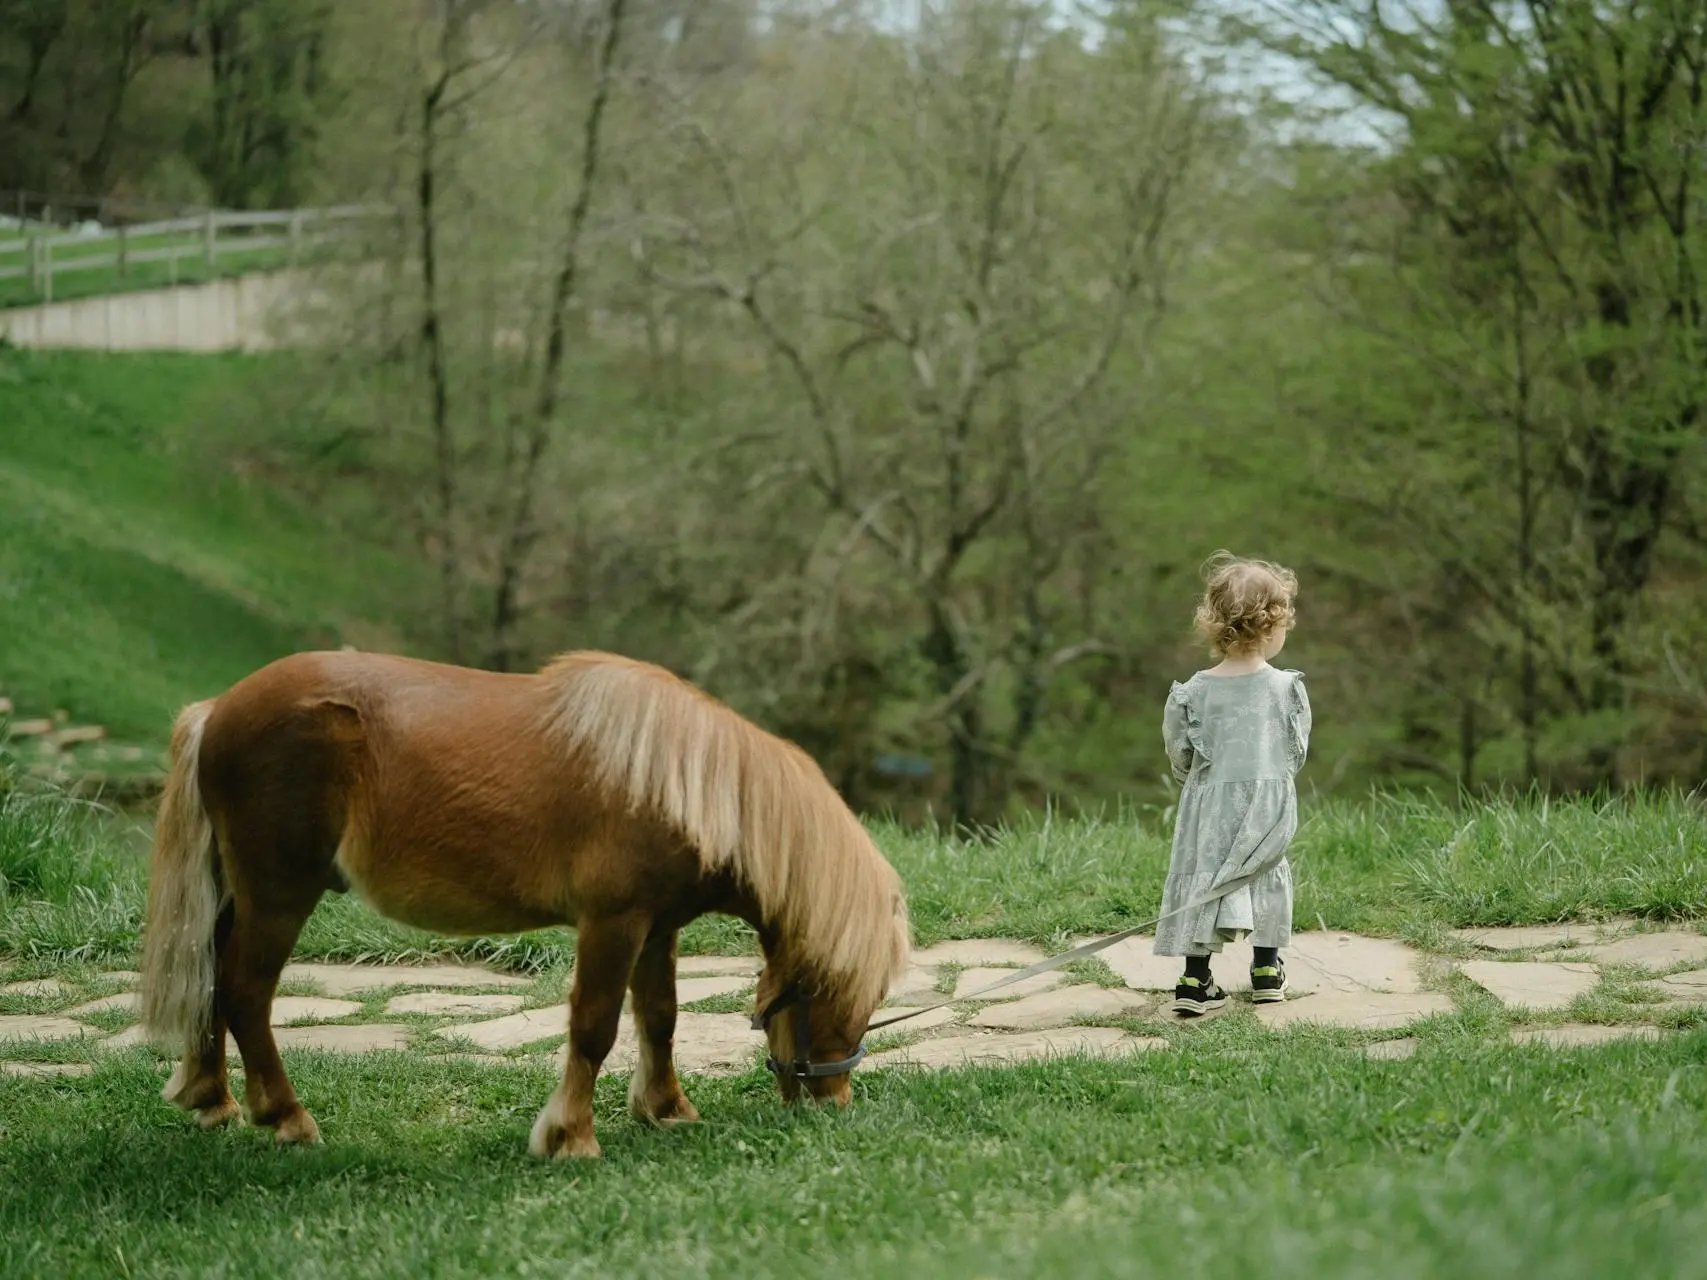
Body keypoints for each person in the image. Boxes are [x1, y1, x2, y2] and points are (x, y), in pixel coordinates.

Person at [1154, 551, 1311, 1016]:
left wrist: (1197, 783)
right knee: (1262, 875)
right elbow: (1294, 750)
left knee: (1205, 879)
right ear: (1272, 624)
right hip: (1266, 802)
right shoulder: (1286, 688)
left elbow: (1180, 752)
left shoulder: (1194, 690)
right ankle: (1266, 969)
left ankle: (1194, 978)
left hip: (1209, 805)